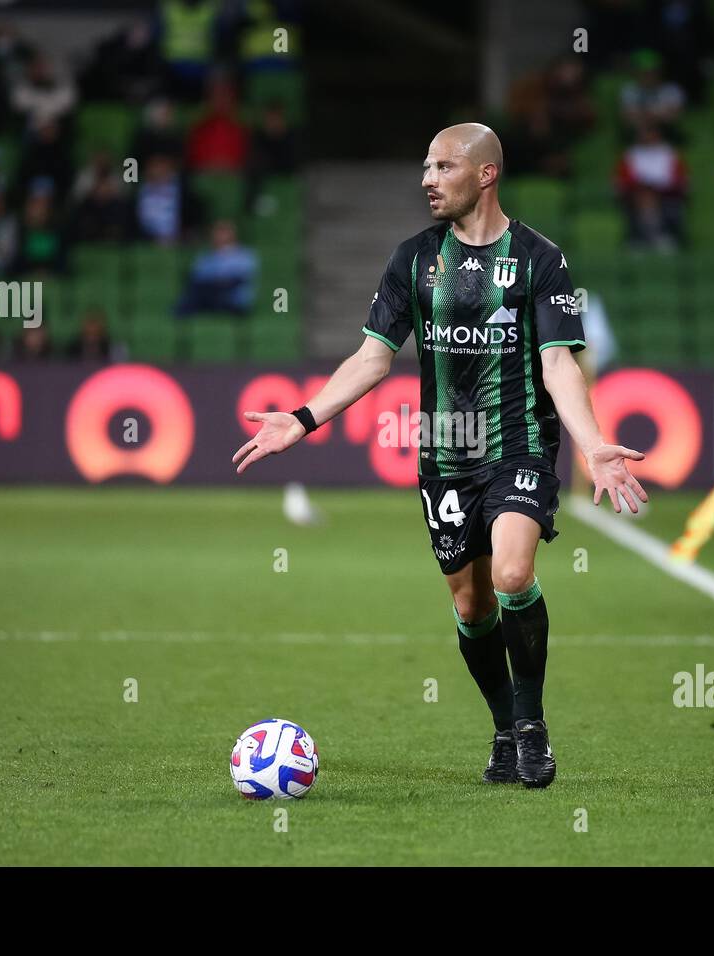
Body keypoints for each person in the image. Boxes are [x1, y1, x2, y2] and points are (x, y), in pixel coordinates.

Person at [233, 123, 647, 788]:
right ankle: (505, 727)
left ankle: (534, 727)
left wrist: (594, 444)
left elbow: (559, 364)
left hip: (521, 444)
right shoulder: (414, 260)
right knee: (472, 606)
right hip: (446, 455)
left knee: (513, 575)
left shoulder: (541, 259)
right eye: (425, 166)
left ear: (486, 174)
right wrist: (304, 418)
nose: (427, 179)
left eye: (443, 166)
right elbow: (373, 358)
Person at [174, 219, 257, 317]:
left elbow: (238, 280)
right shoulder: (204, 257)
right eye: (217, 232)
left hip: (232, 300)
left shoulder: (245, 255)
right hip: (208, 297)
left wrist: (215, 282)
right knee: (193, 292)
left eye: (224, 232)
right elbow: (195, 279)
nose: (220, 236)